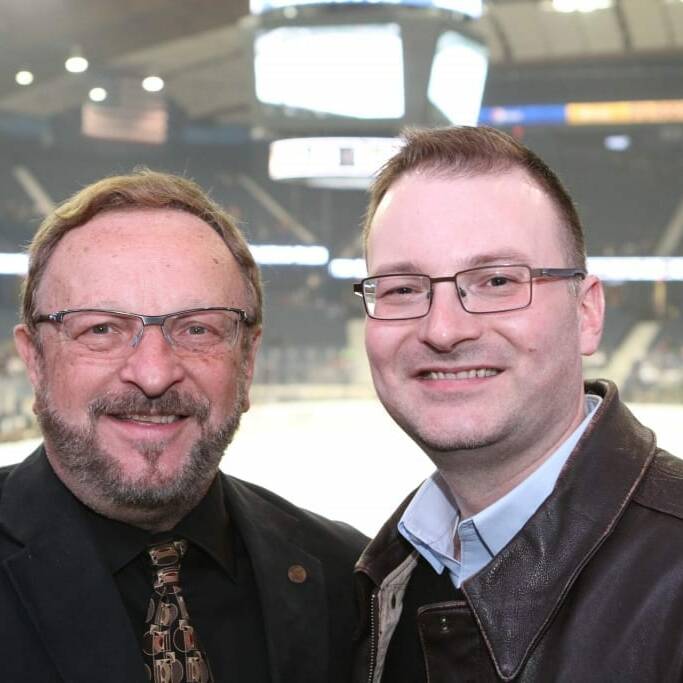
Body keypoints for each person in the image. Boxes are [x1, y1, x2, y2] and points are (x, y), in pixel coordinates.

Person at [1, 169, 366, 683]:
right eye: (101, 328)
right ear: (35, 361)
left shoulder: (349, 576)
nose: (153, 374)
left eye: (197, 328)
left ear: (247, 359)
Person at [351, 126, 683, 682]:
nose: (444, 329)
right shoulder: (377, 579)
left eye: (498, 280)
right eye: (403, 288)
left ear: (587, 313)